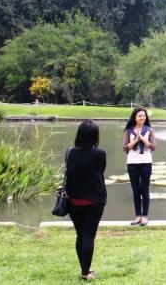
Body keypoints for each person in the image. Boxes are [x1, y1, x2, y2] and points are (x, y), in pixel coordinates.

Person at [65, 120, 107, 281]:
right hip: (94, 200)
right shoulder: (100, 154)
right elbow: (101, 171)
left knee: (80, 235)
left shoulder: (69, 152)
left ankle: (85, 268)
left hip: (73, 200)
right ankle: (85, 272)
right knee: (89, 236)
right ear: (95, 136)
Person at [123, 107, 156, 226]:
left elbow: (152, 147)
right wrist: (136, 140)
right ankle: (137, 216)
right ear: (135, 118)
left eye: (144, 116)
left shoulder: (149, 130)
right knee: (136, 190)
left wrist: (142, 138)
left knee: (145, 190)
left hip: (146, 162)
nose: (142, 118)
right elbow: (125, 148)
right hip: (132, 163)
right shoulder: (128, 130)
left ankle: (145, 216)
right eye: (140, 116)